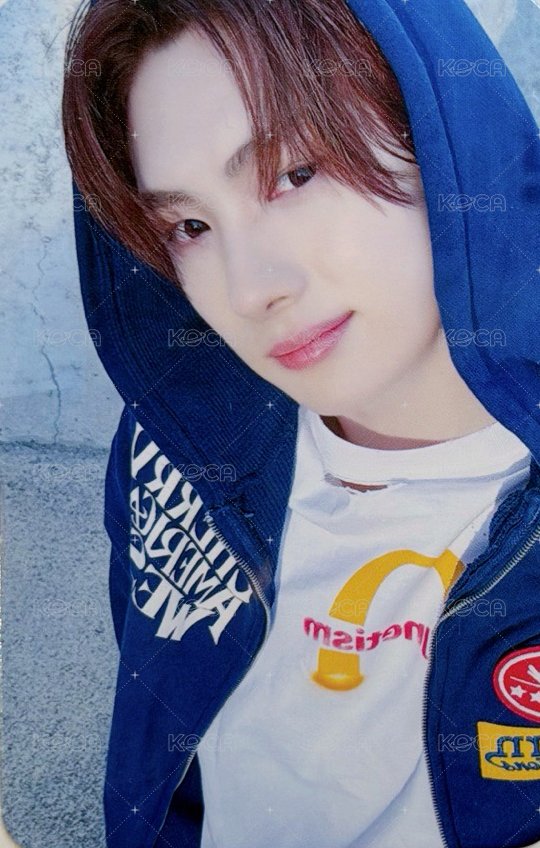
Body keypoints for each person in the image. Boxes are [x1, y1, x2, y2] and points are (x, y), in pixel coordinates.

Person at [61, 0, 540, 846]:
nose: (251, 289)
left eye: (294, 173)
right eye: (190, 226)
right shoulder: (176, 445)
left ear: (439, 125)